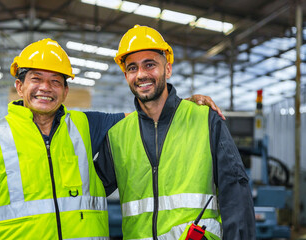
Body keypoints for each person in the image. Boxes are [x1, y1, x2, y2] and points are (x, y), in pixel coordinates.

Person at [0, 38, 223, 240]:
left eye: (55, 81)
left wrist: (185, 104)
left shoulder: (87, 125)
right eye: (36, 79)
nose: (45, 88)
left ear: (65, 91)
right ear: (20, 86)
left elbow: (146, 113)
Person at [94, 25, 256, 240]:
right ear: (126, 76)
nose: (141, 74)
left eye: (149, 65)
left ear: (167, 69)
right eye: (132, 68)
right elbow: (87, 195)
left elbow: (235, 193)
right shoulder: (117, 136)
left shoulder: (205, 120)